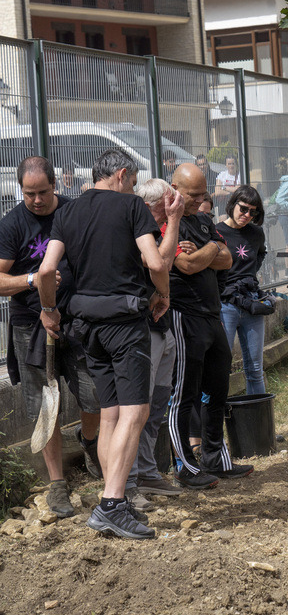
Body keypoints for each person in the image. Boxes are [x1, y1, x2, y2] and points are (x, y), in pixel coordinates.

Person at [37, 148, 170, 539]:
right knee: (135, 413)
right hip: (125, 324)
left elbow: (47, 269)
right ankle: (112, 504)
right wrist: (163, 294)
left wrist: (49, 309)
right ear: (123, 174)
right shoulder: (132, 208)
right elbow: (156, 262)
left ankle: (116, 501)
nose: (131, 186)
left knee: (110, 415)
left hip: (86, 326)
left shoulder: (67, 212)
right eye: (132, 180)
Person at [0, 157, 101, 518]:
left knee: (94, 395)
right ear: (20, 190)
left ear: (55, 185)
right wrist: (33, 279)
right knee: (47, 404)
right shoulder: (12, 225)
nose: (37, 200)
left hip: (76, 319)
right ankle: (57, 484)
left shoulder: (74, 213)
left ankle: (89, 442)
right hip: (31, 325)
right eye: (29, 194)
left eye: (43, 192)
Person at [167, 163, 252, 490]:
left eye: (203, 193)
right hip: (184, 316)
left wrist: (209, 249)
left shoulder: (202, 221)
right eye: (193, 194)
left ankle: (216, 457)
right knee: (183, 394)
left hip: (213, 314)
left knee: (218, 390)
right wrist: (210, 251)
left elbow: (227, 258)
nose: (201, 200)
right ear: (174, 188)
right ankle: (185, 466)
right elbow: (185, 265)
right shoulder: (163, 224)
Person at [126, 178, 186, 511]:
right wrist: (175, 223)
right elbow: (160, 265)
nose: (176, 203)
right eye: (169, 200)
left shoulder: (159, 231)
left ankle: (148, 471)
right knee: (138, 407)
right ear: (152, 204)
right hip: (143, 329)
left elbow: (169, 260)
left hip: (163, 328)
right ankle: (129, 480)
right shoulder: (140, 232)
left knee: (157, 405)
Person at [216, 185, 268, 395]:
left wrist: (249, 276)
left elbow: (261, 254)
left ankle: (258, 422)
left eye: (253, 212)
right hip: (225, 304)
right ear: (233, 203)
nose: (247, 215)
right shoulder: (217, 232)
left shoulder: (256, 234)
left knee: (255, 368)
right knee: (220, 367)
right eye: (243, 209)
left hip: (251, 303)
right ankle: (216, 420)